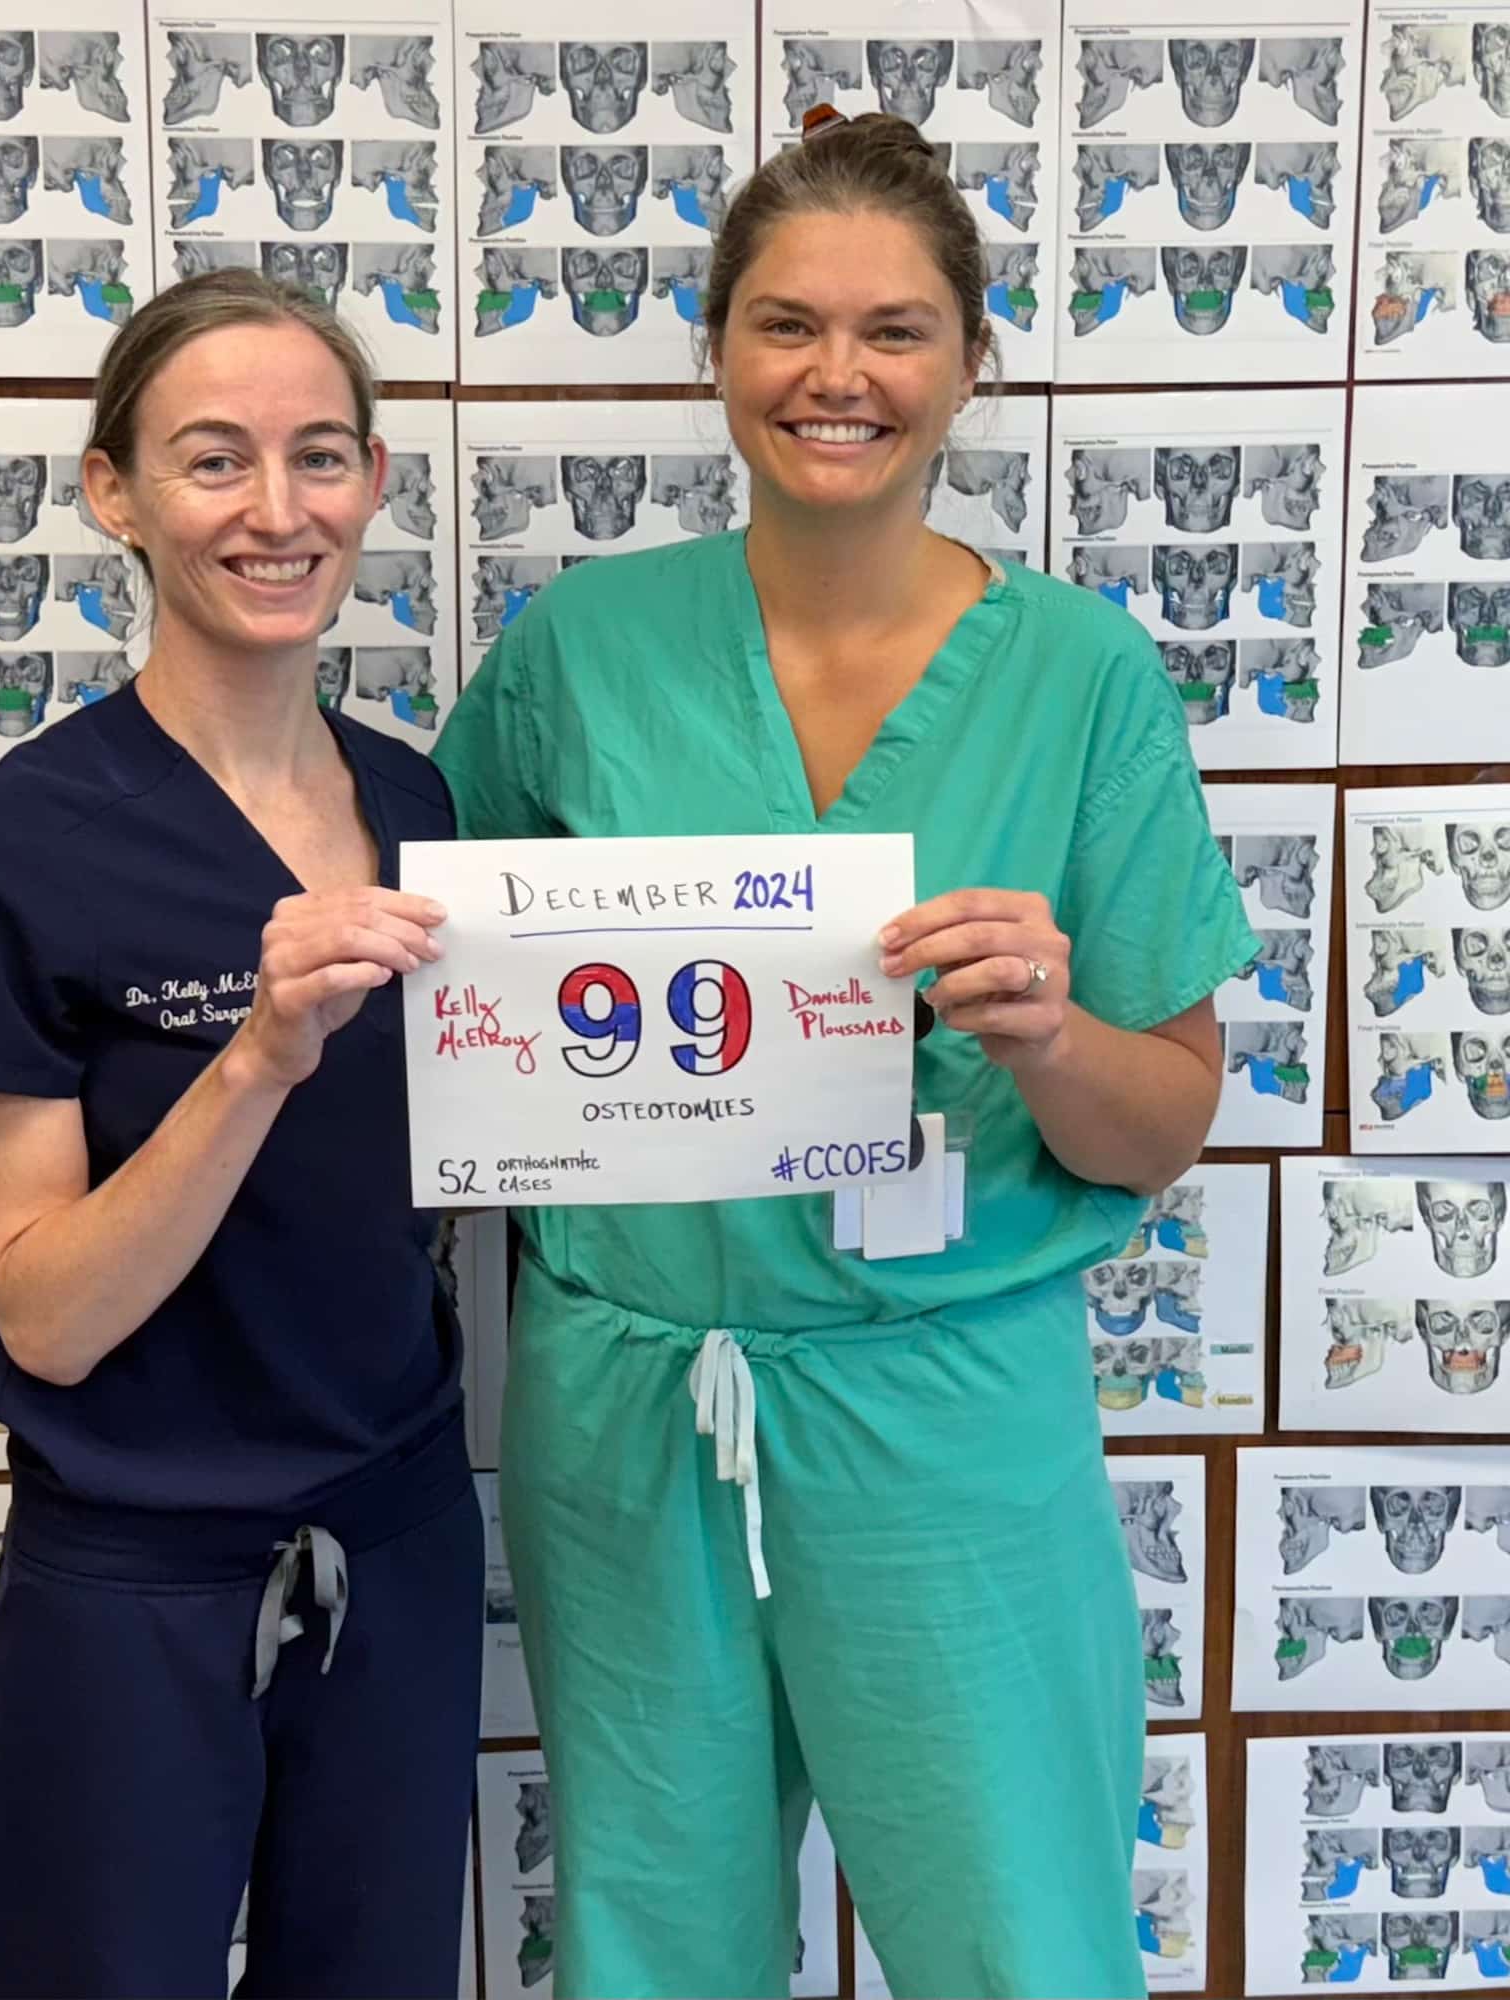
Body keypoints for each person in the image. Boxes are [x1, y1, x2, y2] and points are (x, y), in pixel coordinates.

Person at [432, 109, 1260, 2000]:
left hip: (946, 1414)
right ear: (716, 350)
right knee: (650, 1946)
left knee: (1018, 1940)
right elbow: (443, 1003)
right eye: (786, 325)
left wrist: (1053, 1035)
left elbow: (1164, 1125)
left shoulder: (1079, 677)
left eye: (894, 330)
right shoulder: (582, 650)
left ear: (975, 360)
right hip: (629, 1413)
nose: (837, 376)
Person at [0, 269, 480, 2000]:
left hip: (399, 1537)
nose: (277, 511)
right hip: (136, 1578)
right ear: (113, 493)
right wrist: (258, 1051)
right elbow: (50, 1310)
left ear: (373, 480)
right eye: (214, 461)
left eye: (320, 457)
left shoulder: (420, 807)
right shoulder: (10, 842)